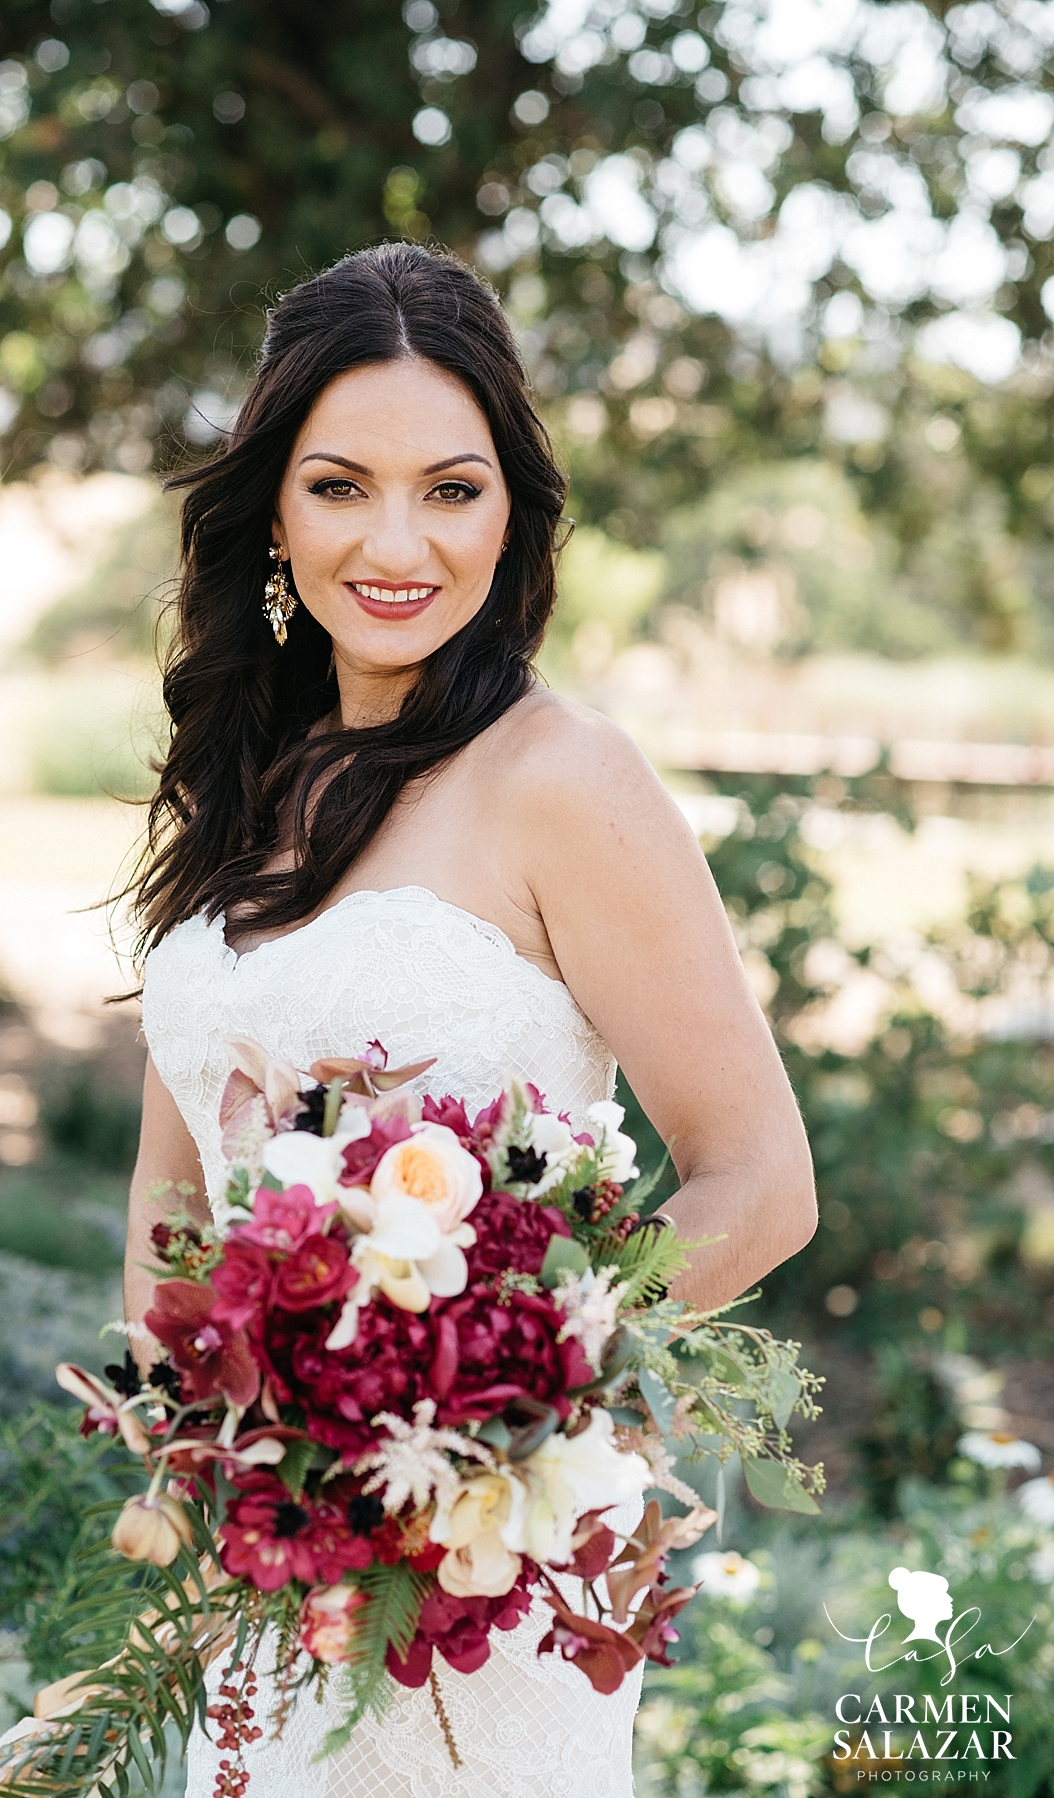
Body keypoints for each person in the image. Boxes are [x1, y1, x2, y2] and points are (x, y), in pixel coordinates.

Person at [122, 241, 816, 1797]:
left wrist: (500, 1397)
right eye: (339, 485)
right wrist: (194, 1479)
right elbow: (177, 1210)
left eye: (451, 488)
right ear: (274, 513)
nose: (397, 542)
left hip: (481, 1574)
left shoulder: (563, 779)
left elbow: (761, 1178)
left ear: (514, 509)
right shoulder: (253, 780)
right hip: (261, 1576)